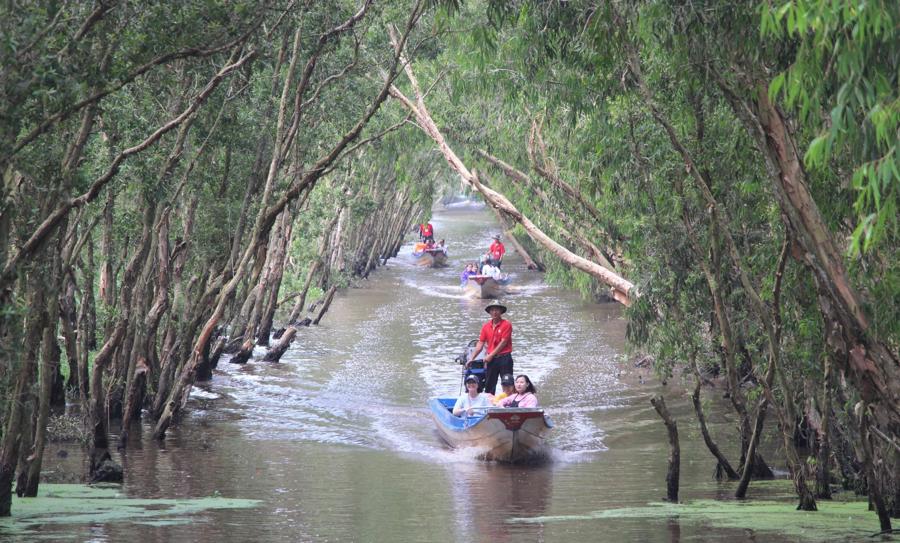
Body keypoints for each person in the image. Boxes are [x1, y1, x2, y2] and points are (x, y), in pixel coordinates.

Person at [467, 302, 513, 396]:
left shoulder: (506, 324)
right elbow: (480, 343)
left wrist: (490, 355)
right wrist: (471, 359)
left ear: (501, 311)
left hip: (505, 358)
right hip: (491, 360)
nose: (494, 312)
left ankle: (509, 403)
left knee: (507, 382)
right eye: (492, 310)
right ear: (489, 312)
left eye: (497, 310)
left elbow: (503, 342)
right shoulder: (486, 326)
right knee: (489, 385)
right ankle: (488, 406)